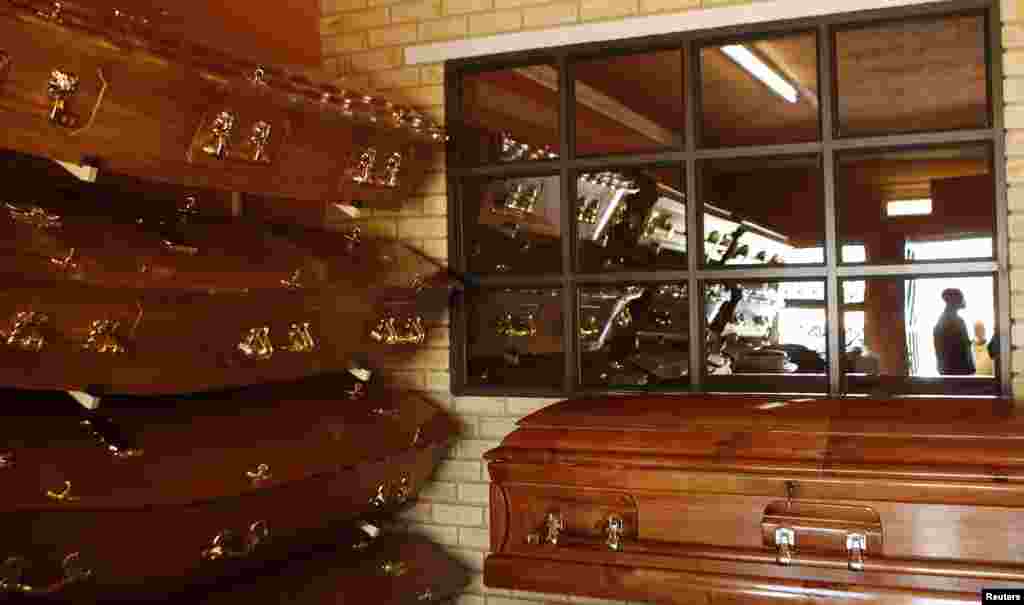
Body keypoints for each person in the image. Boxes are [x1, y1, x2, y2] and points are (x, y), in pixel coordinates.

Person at [933, 288, 975, 375]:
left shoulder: (942, 320)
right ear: (956, 301)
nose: (964, 301)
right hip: (959, 374)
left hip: (948, 373)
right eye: (962, 298)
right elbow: (963, 351)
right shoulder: (957, 321)